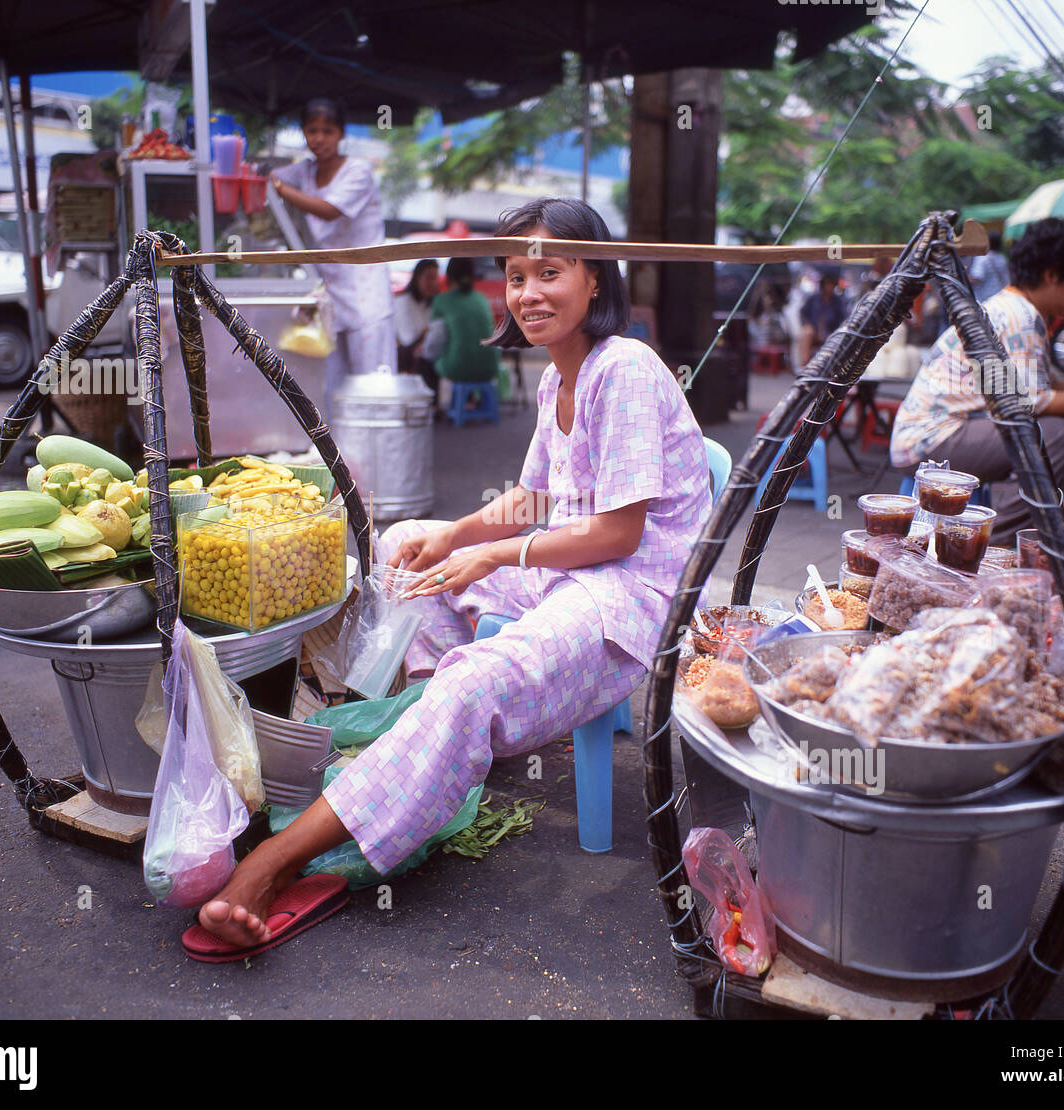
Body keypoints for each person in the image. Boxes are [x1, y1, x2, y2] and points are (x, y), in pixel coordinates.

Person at [191, 197, 712, 954]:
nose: (528, 292)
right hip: (570, 574)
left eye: (551, 272)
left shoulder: (623, 368)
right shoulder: (554, 379)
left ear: (596, 278)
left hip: (630, 598)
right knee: (404, 551)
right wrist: (451, 536)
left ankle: (274, 864)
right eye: (515, 275)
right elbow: (535, 497)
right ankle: (435, 757)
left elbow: (618, 532)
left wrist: (495, 554)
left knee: (471, 682)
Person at [891, 217, 1064, 543]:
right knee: (1058, 435)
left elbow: (1046, 387)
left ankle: (1002, 535)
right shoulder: (1020, 317)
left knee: (1056, 425)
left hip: (931, 435)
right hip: (929, 441)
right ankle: (988, 542)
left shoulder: (1015, 308)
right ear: (1051, 276)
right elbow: (1035, 401)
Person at [270, 98, 396, 405]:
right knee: (332, 385)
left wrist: (281, 190)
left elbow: (329, 210)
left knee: (372, 384)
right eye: (312, 131)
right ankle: (339, 452)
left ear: (341, 134)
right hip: (332, 289)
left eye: (327, 131)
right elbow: (266, 172)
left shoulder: (359, 171)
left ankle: (379, 451)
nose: (319, 138)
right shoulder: (305, 172)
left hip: (367, 290)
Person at [431, 257, 501, 402]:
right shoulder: (481, 299)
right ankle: (471, 402)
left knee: (428, 359)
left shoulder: (441, 301)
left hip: (458, 369)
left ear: (448, 276)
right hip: (491, 368)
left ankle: (434, 407)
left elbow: (435, 341)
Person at [394, 258, 440, 402]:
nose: (433, 283)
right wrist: (427, 331)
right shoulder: (402, 301)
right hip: (404, 353)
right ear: (417, 278)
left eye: (435, 278)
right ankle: (429, 404)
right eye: (428, 278)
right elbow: (407, 337)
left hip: (425, 348)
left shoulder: (435, 303)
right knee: (426, 357)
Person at [795, 267, 847, 368]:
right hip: (815, 330)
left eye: (831, 284)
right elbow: (803, 313)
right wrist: (808, 324)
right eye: (827, 283)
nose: (829, 286)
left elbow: (843, 318)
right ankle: (804, 364)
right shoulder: (814, 298)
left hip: (831, 331)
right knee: (806, 333)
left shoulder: (838, 301)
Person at [968, 231, 1010, 303]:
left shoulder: (982, 258)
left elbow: (976, 278)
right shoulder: (1002, 258)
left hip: (985, 300)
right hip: (1000, 298)